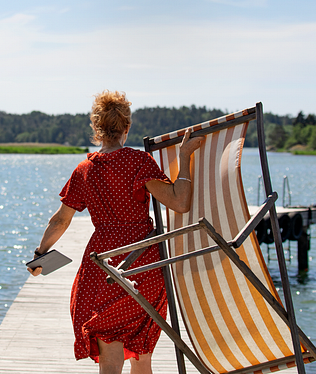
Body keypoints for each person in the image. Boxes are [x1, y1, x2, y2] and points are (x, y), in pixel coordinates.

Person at [28, 90, 202, 374]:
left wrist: (40, 254)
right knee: (142, 354)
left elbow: (61, 221)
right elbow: (180, 202)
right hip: (144, 260)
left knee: (110, 351)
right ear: (127, 127)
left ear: (96, 128)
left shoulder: (84, 170)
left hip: (104, 263)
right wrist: (184, 156)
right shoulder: (137, 162)